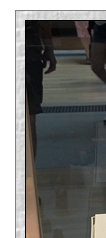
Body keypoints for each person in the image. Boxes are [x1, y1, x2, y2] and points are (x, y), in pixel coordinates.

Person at [26, 20, 56, 157]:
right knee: (30, 117)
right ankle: (29, 165)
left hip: (31, 55)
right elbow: (43, 23)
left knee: (29, 116)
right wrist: (50, 51)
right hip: (30, 54)